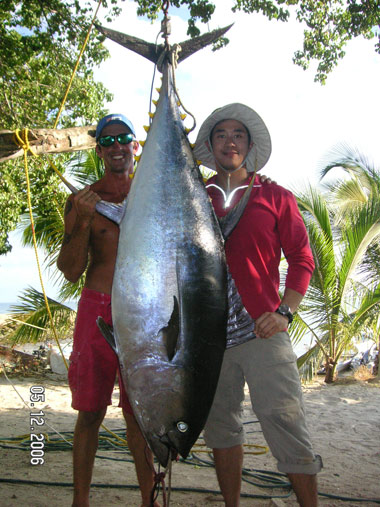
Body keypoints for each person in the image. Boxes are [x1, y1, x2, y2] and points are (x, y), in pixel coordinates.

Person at [194, 103, 322, 507]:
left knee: (286, 424)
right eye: (220, 134)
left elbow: (303, 258)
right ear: (211, 146)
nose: (229, 141)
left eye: (237, 135)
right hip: (208, 339)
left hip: (262, 331)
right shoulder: (193, 196)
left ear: (248, 146)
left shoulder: (276, 196)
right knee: (221, 430)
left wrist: (285, 312)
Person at [57, 113, 160, 507]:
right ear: (99, 150)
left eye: (125, 139)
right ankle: (80, 501)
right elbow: (69, 271)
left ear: (136, 146)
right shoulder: (82, 200)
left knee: (140, 417)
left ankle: (148, 499)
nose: (117, 146)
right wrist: (82, 222)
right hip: (97, 310)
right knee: (90, 413)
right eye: (109, 140)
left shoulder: (152, 196)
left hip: (144, 314)